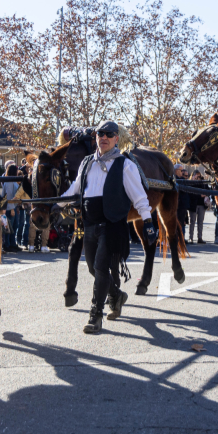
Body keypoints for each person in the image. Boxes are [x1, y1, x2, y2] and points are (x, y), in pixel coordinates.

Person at [56, 120, 157, 334]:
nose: (104, 137)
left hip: (112, 225)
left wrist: (148, 222)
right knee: (93, 268)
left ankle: (96, 314)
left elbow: (139, 198)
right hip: (90, 222)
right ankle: (117, 295)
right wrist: (54, 204)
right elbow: (75, 190)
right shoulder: (86, 163)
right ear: (96, 137)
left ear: (116, 139)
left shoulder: (125, 165)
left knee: (101, 267)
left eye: (109, 134)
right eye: (100, 134)